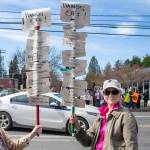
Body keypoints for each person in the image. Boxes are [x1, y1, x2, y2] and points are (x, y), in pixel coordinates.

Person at [70, 79, 138, 150]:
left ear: (120, 94)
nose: (111, 95)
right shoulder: (101, 115)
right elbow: (88, 142)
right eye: (107, 92)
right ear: (104, 95)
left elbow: (131, 147)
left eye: (115, 92)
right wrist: (77, 126)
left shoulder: (126, 117)